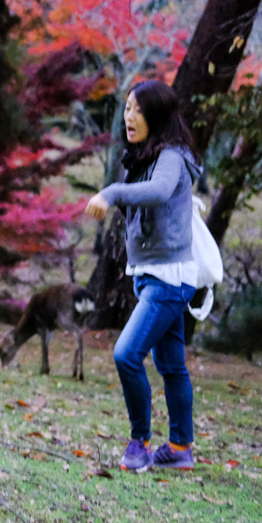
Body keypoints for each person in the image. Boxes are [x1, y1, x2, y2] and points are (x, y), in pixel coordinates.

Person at [85, 80, 201, 472]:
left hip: (170, 279)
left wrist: (114, 192)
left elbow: (160, 191)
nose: (128, 116)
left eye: (137, 109)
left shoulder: (171, 156)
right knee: (171, 366)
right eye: (127, 108)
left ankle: (140, 443)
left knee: (126, 353)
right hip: (153, 275)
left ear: (157, 116)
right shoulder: (144, 156)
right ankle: (180, 448)